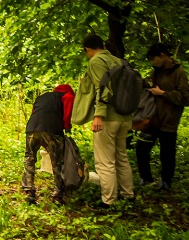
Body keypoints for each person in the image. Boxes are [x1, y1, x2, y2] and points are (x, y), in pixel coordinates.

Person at [73, 35, 134, 210]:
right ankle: (128, 195)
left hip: (108, 118)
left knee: (105, 161)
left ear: (87, 48)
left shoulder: (96, 62)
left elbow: (103, 89)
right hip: (125, 117)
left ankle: (109, 201)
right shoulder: (118, 60)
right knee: (121, 157)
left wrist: (98, 115)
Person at [136, 43, 189, 191]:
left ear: (162, 55)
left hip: (168, 121)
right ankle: (146, 178)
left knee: (167, 154)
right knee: (141, 149)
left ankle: (166, 181)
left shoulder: (178, 73)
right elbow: (147, 83)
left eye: (153, 59)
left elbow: (186, 98)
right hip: (152, 119)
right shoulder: (156, 72)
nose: (153, 63)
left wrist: (163, 93)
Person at [21, 85, 75, 205]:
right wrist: (67, 127)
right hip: (52, 128)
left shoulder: (42, 97)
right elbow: (67, 115)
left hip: (32, 127)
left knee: (29, 158)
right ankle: (58, 195)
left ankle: (29, 191)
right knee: (57, 160)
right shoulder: (68, 96)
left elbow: (34, 112)